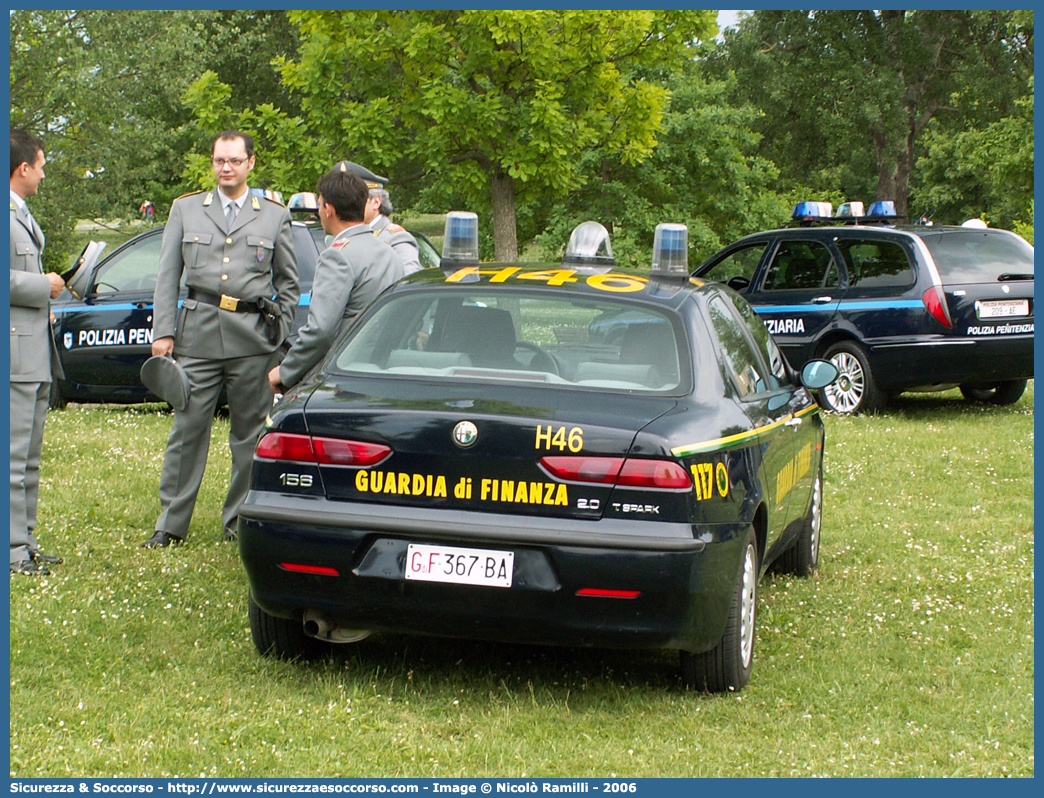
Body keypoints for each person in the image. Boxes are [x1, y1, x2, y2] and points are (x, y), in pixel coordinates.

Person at [142, 130, 299, 548]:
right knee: (187, 431)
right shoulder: (186, 209)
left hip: (253, 341)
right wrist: (164, 333)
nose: (226, 168)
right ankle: (171, 524)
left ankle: (240, 521)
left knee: (249, 436)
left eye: (233, 161)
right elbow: (166, 276)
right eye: (219, 161)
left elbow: (288, 284)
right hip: (197, 337)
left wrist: (278, 336)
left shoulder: (273, 214)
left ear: (251, 163)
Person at [268, 169, 403, 393]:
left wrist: (285, 371)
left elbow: (321, 331)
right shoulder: (388, 251)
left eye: (320, 205)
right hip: (382, 372)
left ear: (328, 209)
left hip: (340, 377)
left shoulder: (337, 255)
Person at [10, 130, 65, 575]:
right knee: (11, 457)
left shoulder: (19, 212)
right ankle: (10, 551)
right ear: (23, 168)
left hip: (32, 352)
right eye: (41, 165)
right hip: (14, 355)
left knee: (29, 456)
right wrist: (41, 286)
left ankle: (23, 541)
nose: (44, 173)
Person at [335, 160, 423, 275]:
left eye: (356, 199)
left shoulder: (396, 239)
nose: (347, 205)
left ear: (376, 201)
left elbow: (407, 282)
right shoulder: (338, 235)